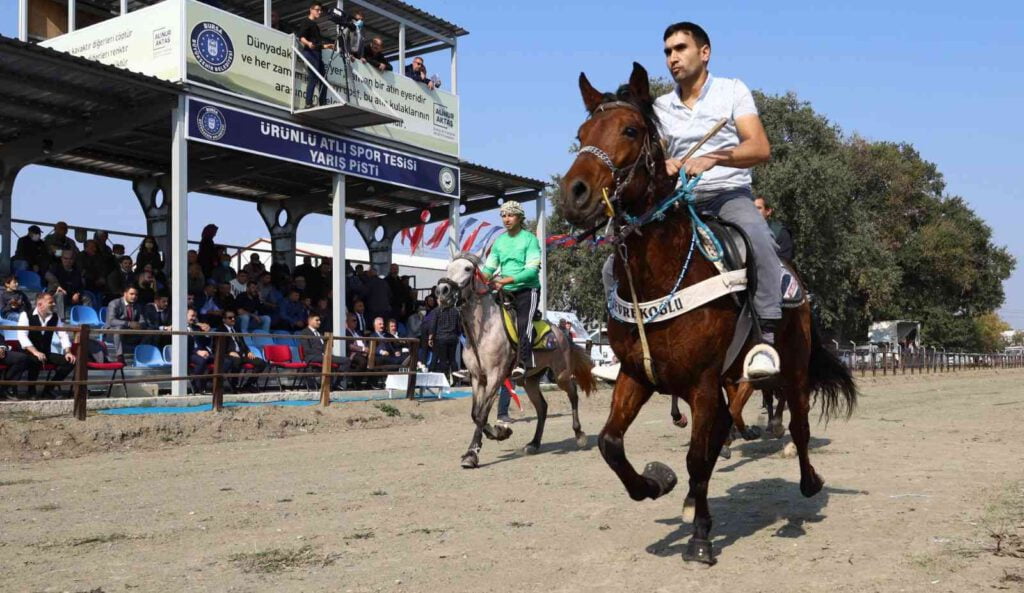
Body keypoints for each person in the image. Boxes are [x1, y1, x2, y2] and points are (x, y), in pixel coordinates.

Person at [654, 22, 778, 378]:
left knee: (760, 240)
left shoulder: (732, 90)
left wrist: (713, 157)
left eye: (680, 48)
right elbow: (655, 158)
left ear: (704, 53)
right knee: (615, 261)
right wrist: (664, 163)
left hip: (727, 195)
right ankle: (629, 343)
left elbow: (759, 147)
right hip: (680, 202)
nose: (672, 58)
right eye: (667, 52)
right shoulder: (661, 108)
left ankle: (766, 336)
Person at [482, 200, 542, 380]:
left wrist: (504, 280)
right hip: (504, 291)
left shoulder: (530, 239)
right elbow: (488, 269)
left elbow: (532, 271)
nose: (506, 219)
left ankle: (523, 363)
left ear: (520, 217)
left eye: (510, 215)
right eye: (503, 215)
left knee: (523, 323)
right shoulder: (499, 242)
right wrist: (479, 280)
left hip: (527, 290)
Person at [17, 292, 76, 399]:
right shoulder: (25, 315)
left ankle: (48, 389)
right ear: (40, 304)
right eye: (51, 302)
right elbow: (22, 336)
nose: (54, 304)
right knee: (36, 359)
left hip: (45, 352)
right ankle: (31, 391)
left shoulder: (55, 317)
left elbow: (63, 335)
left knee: (70, 362)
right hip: (28, 353)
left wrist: (68, 352)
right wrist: (35, 352)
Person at [296, 2, 335, 108]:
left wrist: (326, 46)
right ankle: (308, 103)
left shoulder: (315, 25)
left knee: (324, 79)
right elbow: (301, 37)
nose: (320, 12)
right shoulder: (306, 22)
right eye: (317, 9)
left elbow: (316, 44)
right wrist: (308, 43)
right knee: (313, 76)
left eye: (320, 10)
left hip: (317, 54)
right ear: (311, 10)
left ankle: (322, 103)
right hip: (310, 53)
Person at [220, 310, 268, 392]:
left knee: (262, 363)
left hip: (242, 354)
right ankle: (233, 386)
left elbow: (243, 344)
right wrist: (229, 352)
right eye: (230, 318)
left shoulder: (236, 329)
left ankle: (248, 385)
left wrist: (248, 352)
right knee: (237, 360)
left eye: (234, 317)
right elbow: (218, 346)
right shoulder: (220, 330)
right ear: (224, 320)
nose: (233, 319)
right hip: (228, 354)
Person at [45, 250, 91, 320]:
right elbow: (47, 275)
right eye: (66, 258)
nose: (68, 261)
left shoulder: (76, 272)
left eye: (71, 259)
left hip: (70, 297)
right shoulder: (56, 268)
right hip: (55, 296)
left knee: (87, 298)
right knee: (60, 295)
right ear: (61, 258)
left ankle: (86, 321)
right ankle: (61, 321)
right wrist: (58, 286)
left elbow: (81, 286)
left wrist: (77, 294)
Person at [105, 286, 144, 360]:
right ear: (125, 294)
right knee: (119, 328)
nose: (134, 296)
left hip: (130, 333)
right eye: (131, 294)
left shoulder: (138, 306)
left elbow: (142, 321)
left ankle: (142, 354)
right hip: (112, 333)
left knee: (150, 330)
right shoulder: (114, 303)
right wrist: (128, 324)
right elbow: (111, 321)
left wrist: (140, 325)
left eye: (136, 295)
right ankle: (120, 356)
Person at [754, 196, 794, 261]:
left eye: (758, 208)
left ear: (768, 211)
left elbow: (784, 262)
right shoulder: (742, 230)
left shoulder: (780, 233)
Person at [427, 303, 460, 381]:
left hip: (441, 338)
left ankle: (445, 379)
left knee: (443, 360)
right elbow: (458, 326)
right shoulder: (455, 311)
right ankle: (456, 380)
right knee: (453, 359)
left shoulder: (436, 311)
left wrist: (430, 338)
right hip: (453, 337)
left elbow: (433, 326)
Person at [186, 308, 213, 393]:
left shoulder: (197, 327)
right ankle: (197, 386)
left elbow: (205, 342)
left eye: (195, 316)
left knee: (223, 359)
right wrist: (197, 352)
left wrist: (207, 333)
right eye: (192, 316)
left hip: (202, 352)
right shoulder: (180, 326)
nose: (194, 318)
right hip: (189, 353)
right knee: (202, 361)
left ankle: (210, 381)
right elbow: (184, 346)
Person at [344, 313, 369, 388]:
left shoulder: (358, 332)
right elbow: (350, 346)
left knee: (375, 360)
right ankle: (356, 381)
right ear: (347, 322)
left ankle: (369, 383)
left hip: (362, 353)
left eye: (356, 321)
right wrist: (363, 349)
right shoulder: (345, 332)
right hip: (352, 354)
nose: (356, 322)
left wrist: (366, 349)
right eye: (353, 320)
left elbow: (364, 342)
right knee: (363, 361)